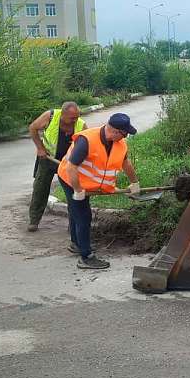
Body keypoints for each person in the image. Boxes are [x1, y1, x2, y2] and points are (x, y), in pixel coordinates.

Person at [57, 113, 140, 269]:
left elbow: (126, 163)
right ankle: (86, 257)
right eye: (124, 133)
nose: (125, 136)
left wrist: (134, 183)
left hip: (85, 182)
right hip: (70, 179)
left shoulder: (120, 144)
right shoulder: (87, 140)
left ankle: (76, 243)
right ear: (115, 131)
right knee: (83, 215)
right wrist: (77, 190)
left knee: (76, 210)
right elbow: (71, 167)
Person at [26, 101, 86, 232]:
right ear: (63, 114)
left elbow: (86, 144)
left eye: (77, 116)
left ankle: (74, 225)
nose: (75, 120)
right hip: (47, 159)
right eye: (72, 118)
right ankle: (34, 220)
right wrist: (40, 148)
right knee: (40, 189)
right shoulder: (50, 116)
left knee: (72, 192)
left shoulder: (81, 125)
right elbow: (32, 128)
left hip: (68, 163)